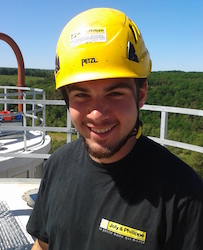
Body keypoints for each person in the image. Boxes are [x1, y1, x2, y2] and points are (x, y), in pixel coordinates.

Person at [27, 8, 203, 250]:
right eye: (81, 95)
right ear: (67, 100)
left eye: (115, 93)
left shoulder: (184, 195)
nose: (97, 114)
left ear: (140, 94)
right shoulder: (57, 165)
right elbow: (43, 245)